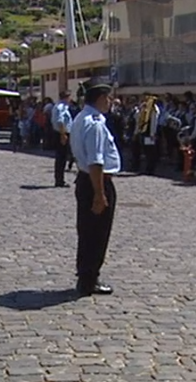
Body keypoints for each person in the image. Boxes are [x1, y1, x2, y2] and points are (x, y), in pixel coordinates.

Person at [69, 78, 120, 296]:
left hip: (85, 179)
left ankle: (86, 275)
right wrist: (99, 194)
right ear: (100, 98)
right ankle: (90, 279)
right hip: (96, 182)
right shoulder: (95, 123)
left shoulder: (81, 118)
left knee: (87, 231)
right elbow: (96, 161)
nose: (111, 102)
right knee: (97, 233)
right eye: (108, 98)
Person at [52, 90, 73, 187]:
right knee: (61, 157)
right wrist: (63, 134)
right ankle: (60, 180)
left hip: (61, 132)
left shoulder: (60, 106)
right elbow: (60, 121)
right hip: (61, 133)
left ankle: (60, 179)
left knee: (62, 157)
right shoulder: (61, 107)